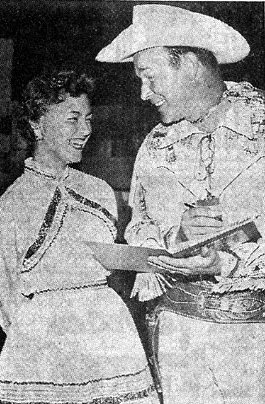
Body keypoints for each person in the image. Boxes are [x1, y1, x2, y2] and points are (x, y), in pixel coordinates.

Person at [96, 5, 265, 404]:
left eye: (149, 76)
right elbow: (139, 227)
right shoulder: (154, 146)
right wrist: (175, 238)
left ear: (189, 63)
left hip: (255, 337)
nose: (143, 92)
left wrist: (229, 262)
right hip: (178, 333)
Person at [0, 70, 160, 404]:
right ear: (37, 125)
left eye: (88, 119)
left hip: (110, 335)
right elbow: (6, 301)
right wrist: (47, 347)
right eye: (73, 119)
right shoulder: (9, 206)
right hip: (47, 348)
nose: (85, 130)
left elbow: (116, 267)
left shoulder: (99, 191)